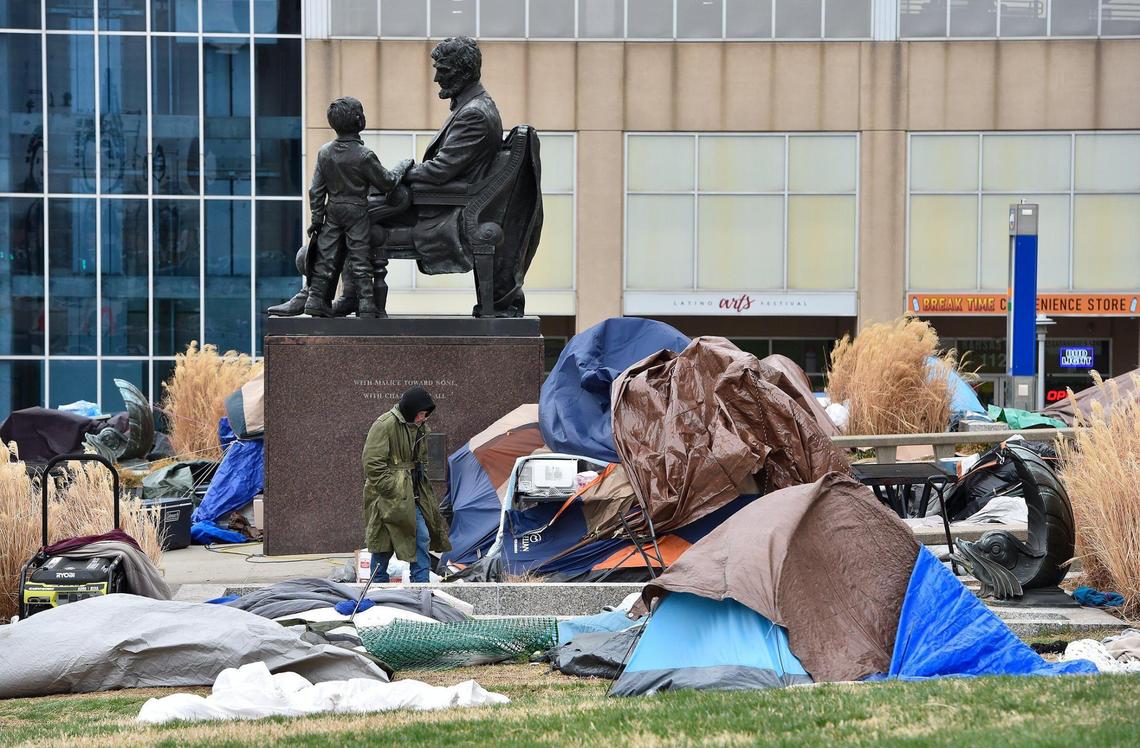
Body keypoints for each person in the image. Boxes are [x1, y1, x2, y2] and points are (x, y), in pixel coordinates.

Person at [304, 96, 411, 318]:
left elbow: (316, 190)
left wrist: (317, 218)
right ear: (359, 120)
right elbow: (387, 182)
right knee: (359, 256)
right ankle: (366, 305)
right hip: (356, 211)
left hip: (332, 211)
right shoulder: (364, 155)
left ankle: (315, 299)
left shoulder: (325, 152)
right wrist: (403, 166)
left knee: (326, 256)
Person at [361, 385, 451, 583]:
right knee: (383, 545)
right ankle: (377, 590)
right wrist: (392, 489)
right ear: (411, 410)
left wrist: (417, 479)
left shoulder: (419, 427)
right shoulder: (384, 425)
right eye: (421, 413)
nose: (424, 418)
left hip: (412, 492)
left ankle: (421, 587)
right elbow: (372, 464)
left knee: (420, 537)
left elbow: (422, 458)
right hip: (387, 497)